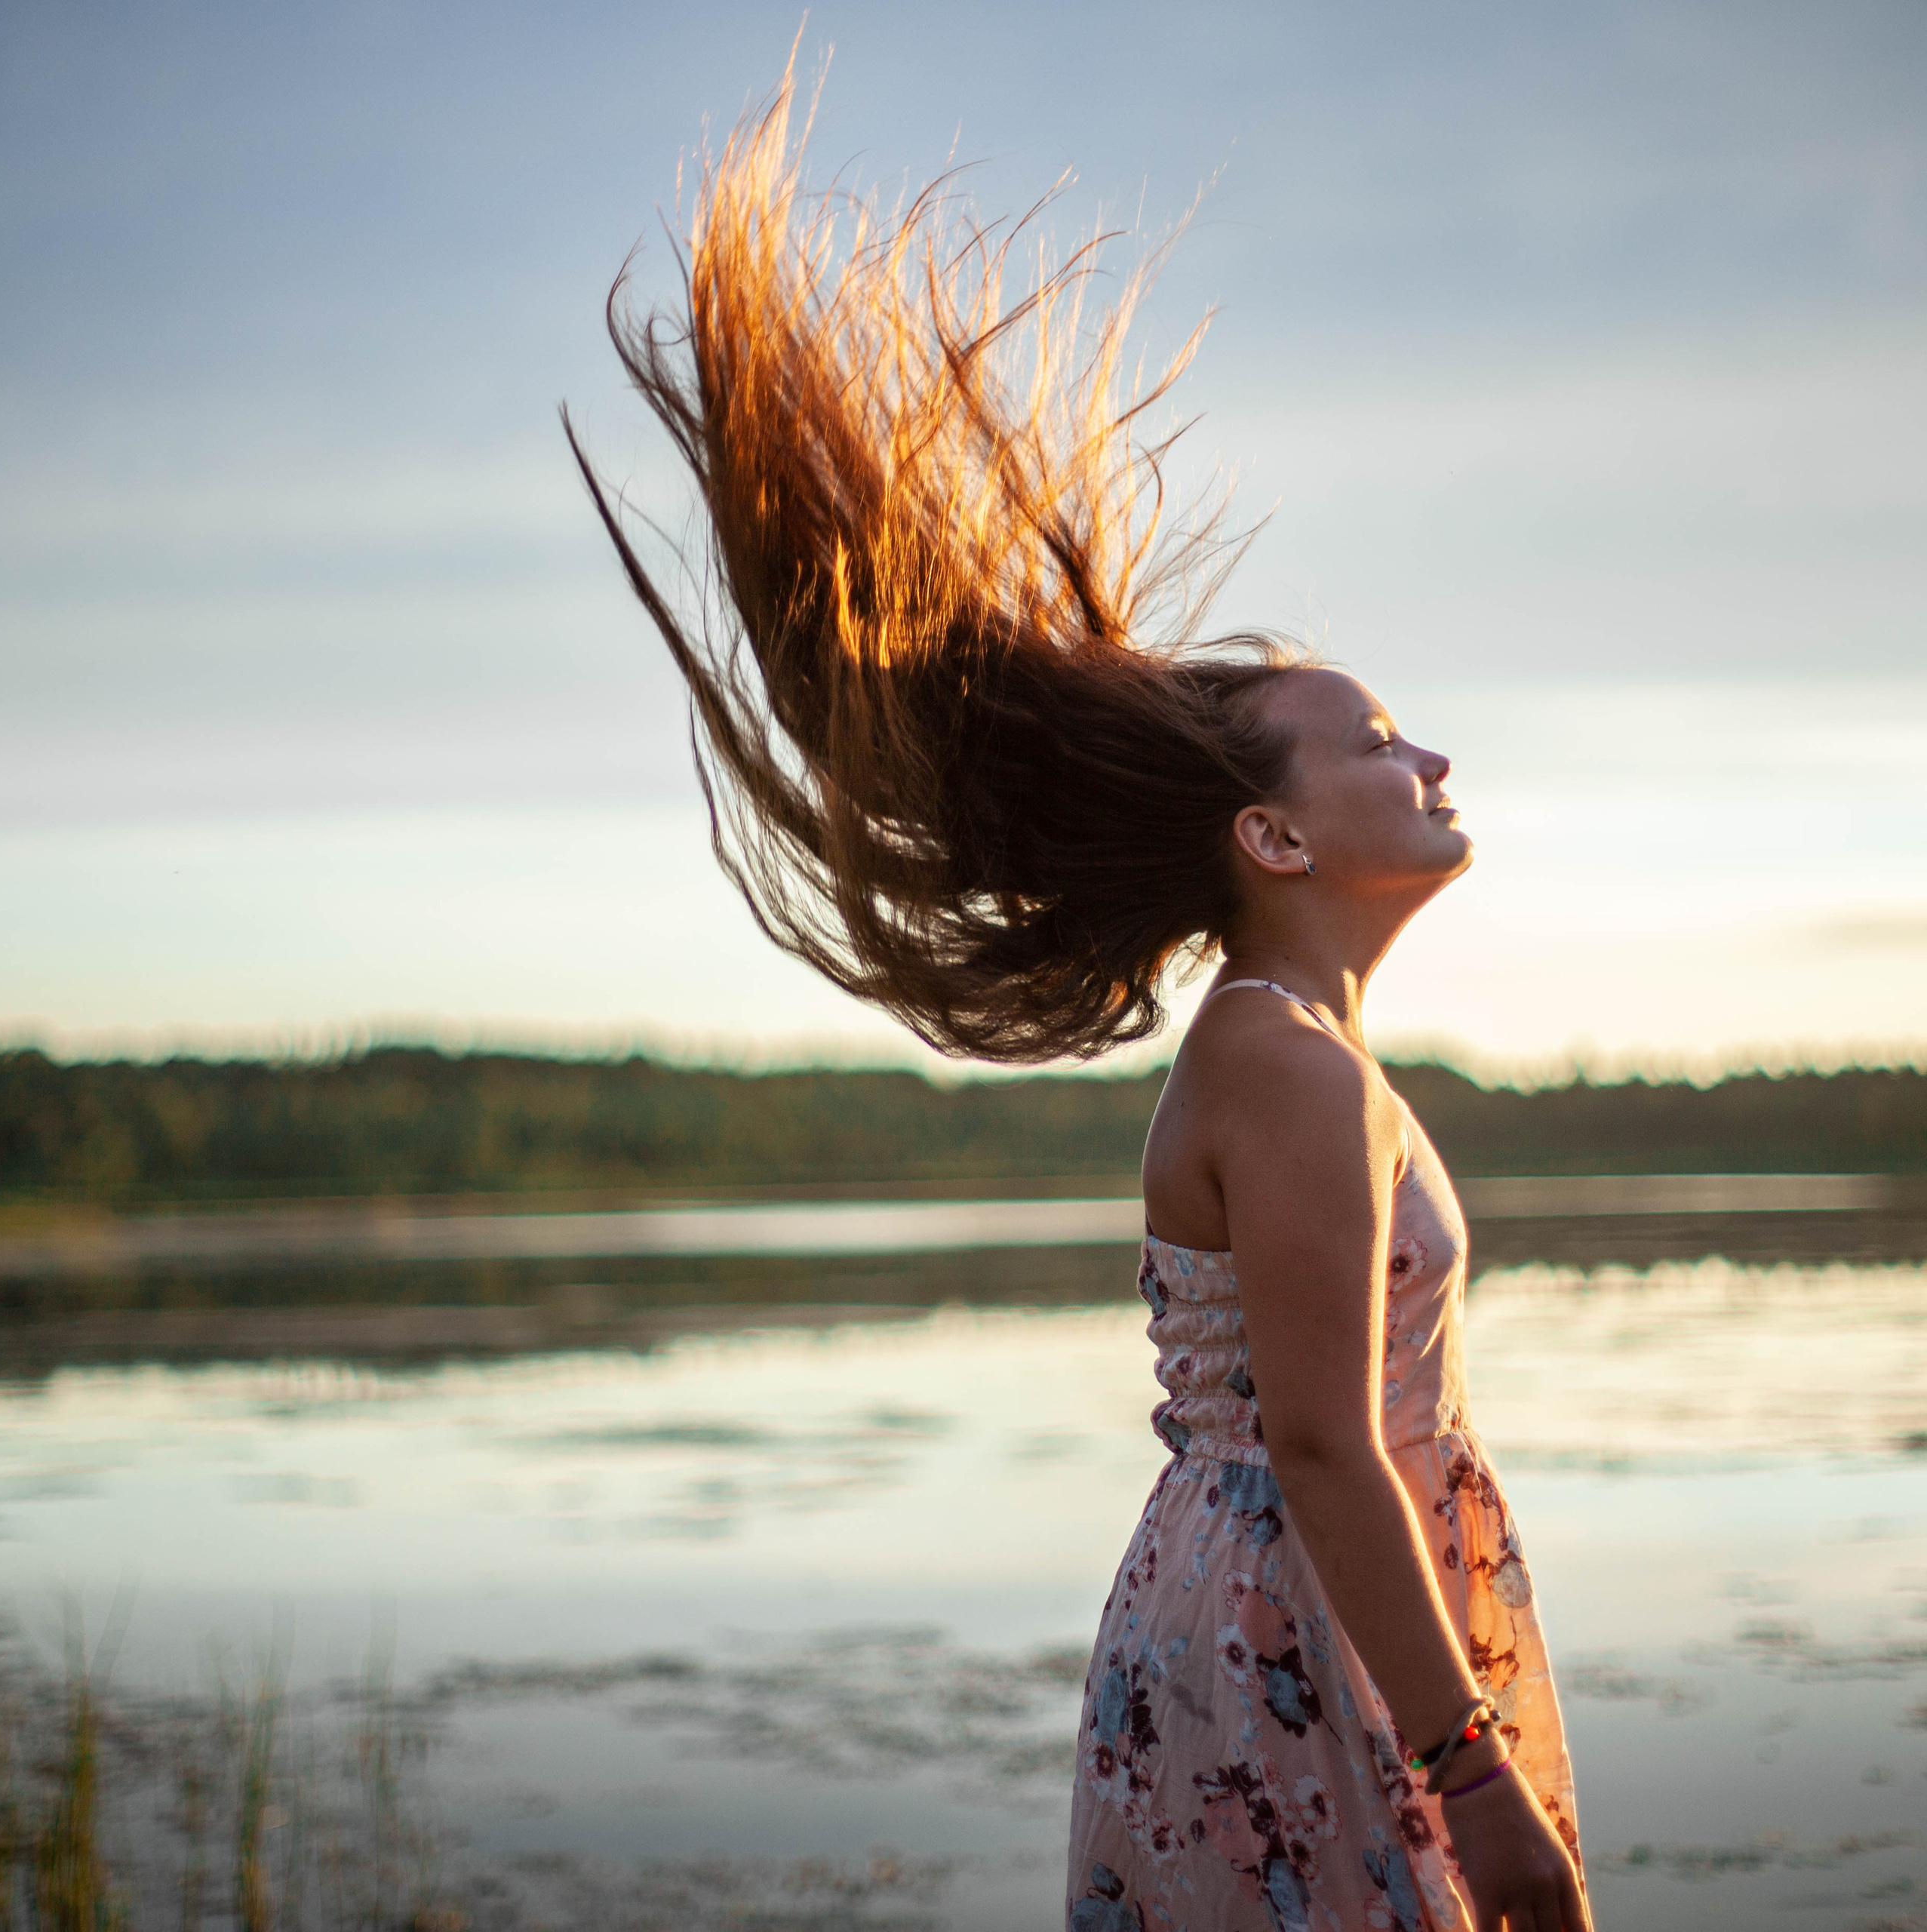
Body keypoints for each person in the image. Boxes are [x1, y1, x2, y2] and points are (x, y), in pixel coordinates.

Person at [568, 67, 1589, 1932]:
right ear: (1270, 838)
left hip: (1283, 1607)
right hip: (1305, 1634)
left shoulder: (1294, 1048)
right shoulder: (1281, 1068)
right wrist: (1471, 1777)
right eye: (1375, 738)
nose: (1427, 752)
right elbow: (1316, 1439)